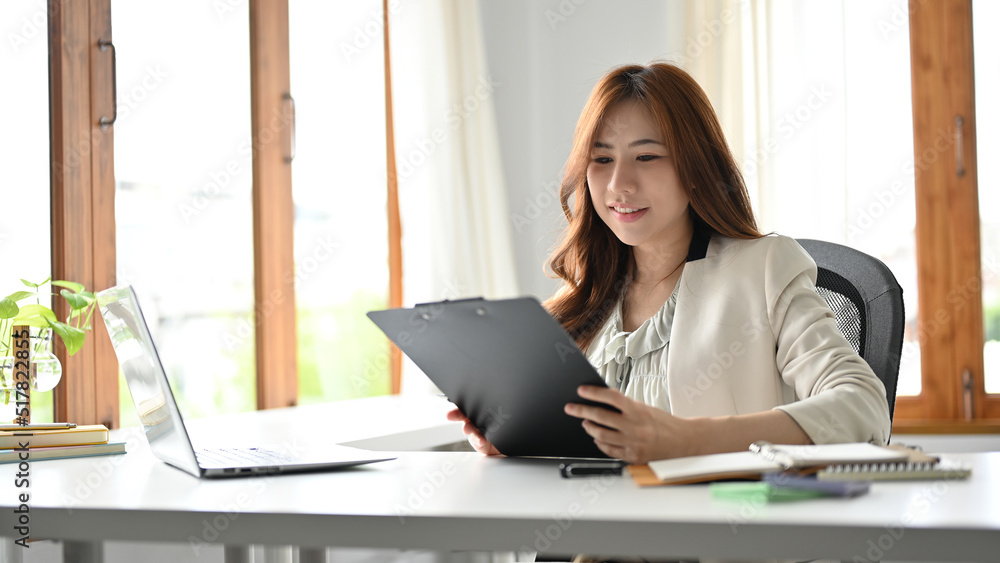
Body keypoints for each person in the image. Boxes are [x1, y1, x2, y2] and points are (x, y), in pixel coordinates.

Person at [446, 62, 890, 466]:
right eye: (601, 160)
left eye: (646, 156)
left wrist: (687, 439)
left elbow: (862, 406)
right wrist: (514, 438)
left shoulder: (763, 269)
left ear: (695, 167)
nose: (619, 184)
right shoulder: (581, 302)